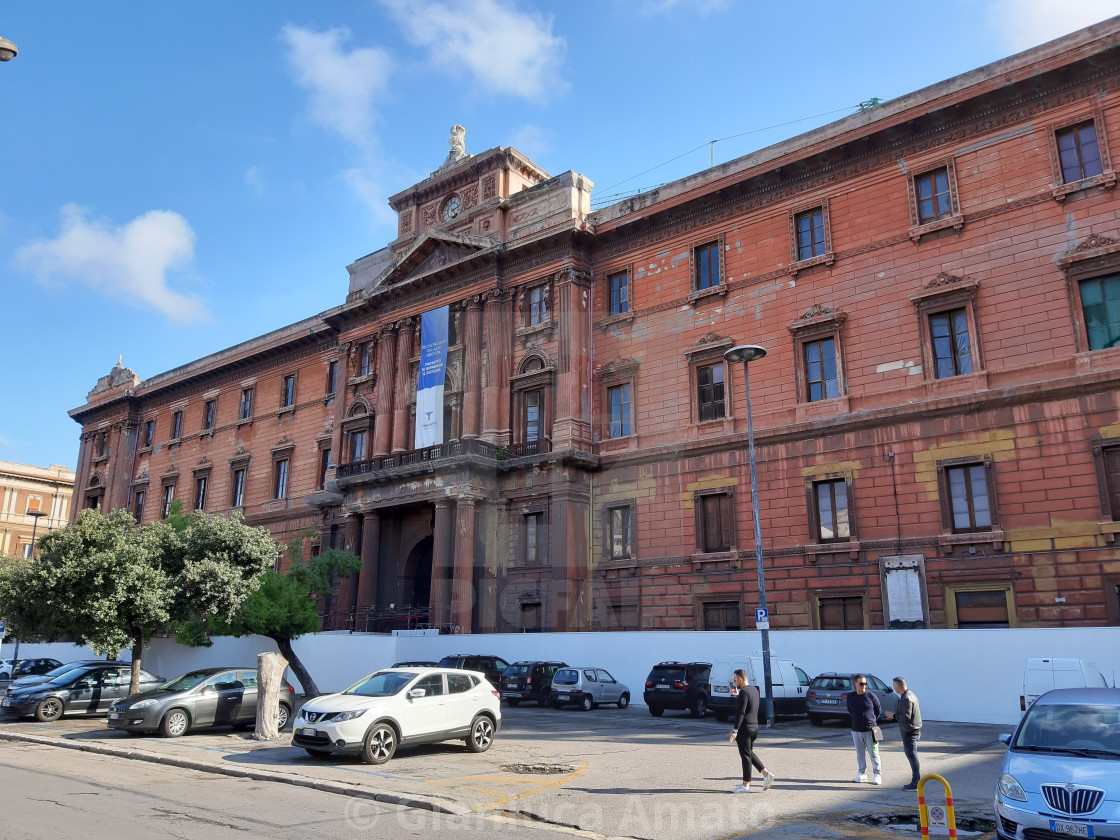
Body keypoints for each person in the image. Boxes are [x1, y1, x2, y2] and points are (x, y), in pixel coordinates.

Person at [726, 669, 775, 793]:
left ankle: (745, 785)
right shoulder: (753, 690)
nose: (734, 682)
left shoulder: (744, 693)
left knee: (745, 756)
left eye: (735, 680)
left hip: (745, 728)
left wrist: (735, 730)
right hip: (754, 727)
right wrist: (738, 696)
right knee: (749, 753)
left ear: (741, 679)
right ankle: (766, 774)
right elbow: (749, 705)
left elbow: (741, 712)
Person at [846, 674, 882, 785]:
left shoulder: (871, 696)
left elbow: (878, 711)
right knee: (860, 754)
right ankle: (862, 773)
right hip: (856, 730)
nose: (864, 686)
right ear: (855, 684)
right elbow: (850, 710)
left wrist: (871, 721)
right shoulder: (851, 697)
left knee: (874, 753)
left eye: (866, 684)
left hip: (871, 730)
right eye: (861, 684)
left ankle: (877, 774)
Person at [893, 677, 923, 791]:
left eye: (895, 686)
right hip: (913, 730)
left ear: (900, 687)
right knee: (912, 755)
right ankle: (916, 781)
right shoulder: (911, 694)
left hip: (910, 732)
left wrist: (894, 716)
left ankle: (915, 783)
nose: (894, 689)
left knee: (912, 756)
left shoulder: (907, 698)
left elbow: (906, 717)